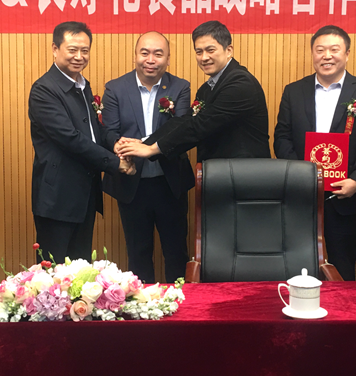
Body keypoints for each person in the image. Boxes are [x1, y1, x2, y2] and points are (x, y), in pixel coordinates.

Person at [274, 25, 356, 281]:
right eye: (320, 50)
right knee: (298, 267)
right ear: (312, 53)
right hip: (301, 197)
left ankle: (340, 308)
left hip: (345, 196)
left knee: (341, 267)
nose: (327, 56)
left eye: (334, 50)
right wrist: (300, 176)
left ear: (347, 53)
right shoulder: (294, 91)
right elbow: (282, 137)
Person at [29, 21, 135, 264]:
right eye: (72, 50)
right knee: (53, 273)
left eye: (85, 50)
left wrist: (115, 144)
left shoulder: (82, 85)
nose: (79, 57)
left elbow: (94, 129)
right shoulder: (44, 90)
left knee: (79, 269)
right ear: (55, 49)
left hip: (84, 193)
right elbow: (70, 138)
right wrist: (115, 163)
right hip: (57, 197)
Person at [102, 32, 194, 283]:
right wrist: (120, 146)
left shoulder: (180, 87)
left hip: (170, 182)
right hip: (132, 182)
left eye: (158, 54)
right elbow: (109, 132)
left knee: (176, 252)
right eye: (145, 53)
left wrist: (142, 144)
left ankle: (181, 302)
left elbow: (180, 128)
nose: (150, 60)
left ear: (168, 59)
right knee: (138, 254)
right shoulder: (115, 88)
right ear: (135, 55)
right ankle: (142, 304)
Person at [115, 20, 270, 162]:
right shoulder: (207, 88)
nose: (204, 57)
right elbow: (185, 121)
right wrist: (145, 143)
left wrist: (151, 149)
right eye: (199, 51)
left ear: (228, 50)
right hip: (221, 172)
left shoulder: (240, 83)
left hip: (244, 173)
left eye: (210, 50)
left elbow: (200, 126)